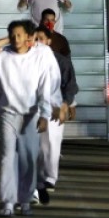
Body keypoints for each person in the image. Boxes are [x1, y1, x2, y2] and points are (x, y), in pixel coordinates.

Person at [0, 20, 59, 217]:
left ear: (28, 37)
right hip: (8, 113)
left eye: (20, 35)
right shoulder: (2, 57)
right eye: (12, 35)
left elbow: (44, 86)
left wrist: (44, 114)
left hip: (30, 115)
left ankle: (25, 201)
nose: (16, 39)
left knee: (28, 158)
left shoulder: (39, 56)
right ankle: (8, 201)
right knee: (7, 157)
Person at [33, 26, 78, 205]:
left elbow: (71, 85)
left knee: (53, 143)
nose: (38, 42)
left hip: (55, 108)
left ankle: (51, 177)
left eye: (41, 38)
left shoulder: (60, 61)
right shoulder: (29, 60)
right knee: (40, 147)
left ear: (49, 41)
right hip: (35, 109)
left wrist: (67, 104)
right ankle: (40, 179)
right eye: (35, 38)